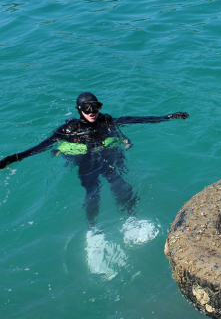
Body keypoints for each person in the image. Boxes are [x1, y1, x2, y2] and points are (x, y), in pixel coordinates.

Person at [0, 92, 187, 223]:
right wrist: (13, 158)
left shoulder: (106, 121)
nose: (92, 112)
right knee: (92, 192)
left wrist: (168, 117)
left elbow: (135, 119)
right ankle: (93, 227)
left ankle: (131, 219)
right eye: (87, 108)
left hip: (107, 156)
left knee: (121, 184)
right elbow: (41, 146)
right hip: (85, 161)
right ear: (79, 109)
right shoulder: (67, 130)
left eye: (95, 107)